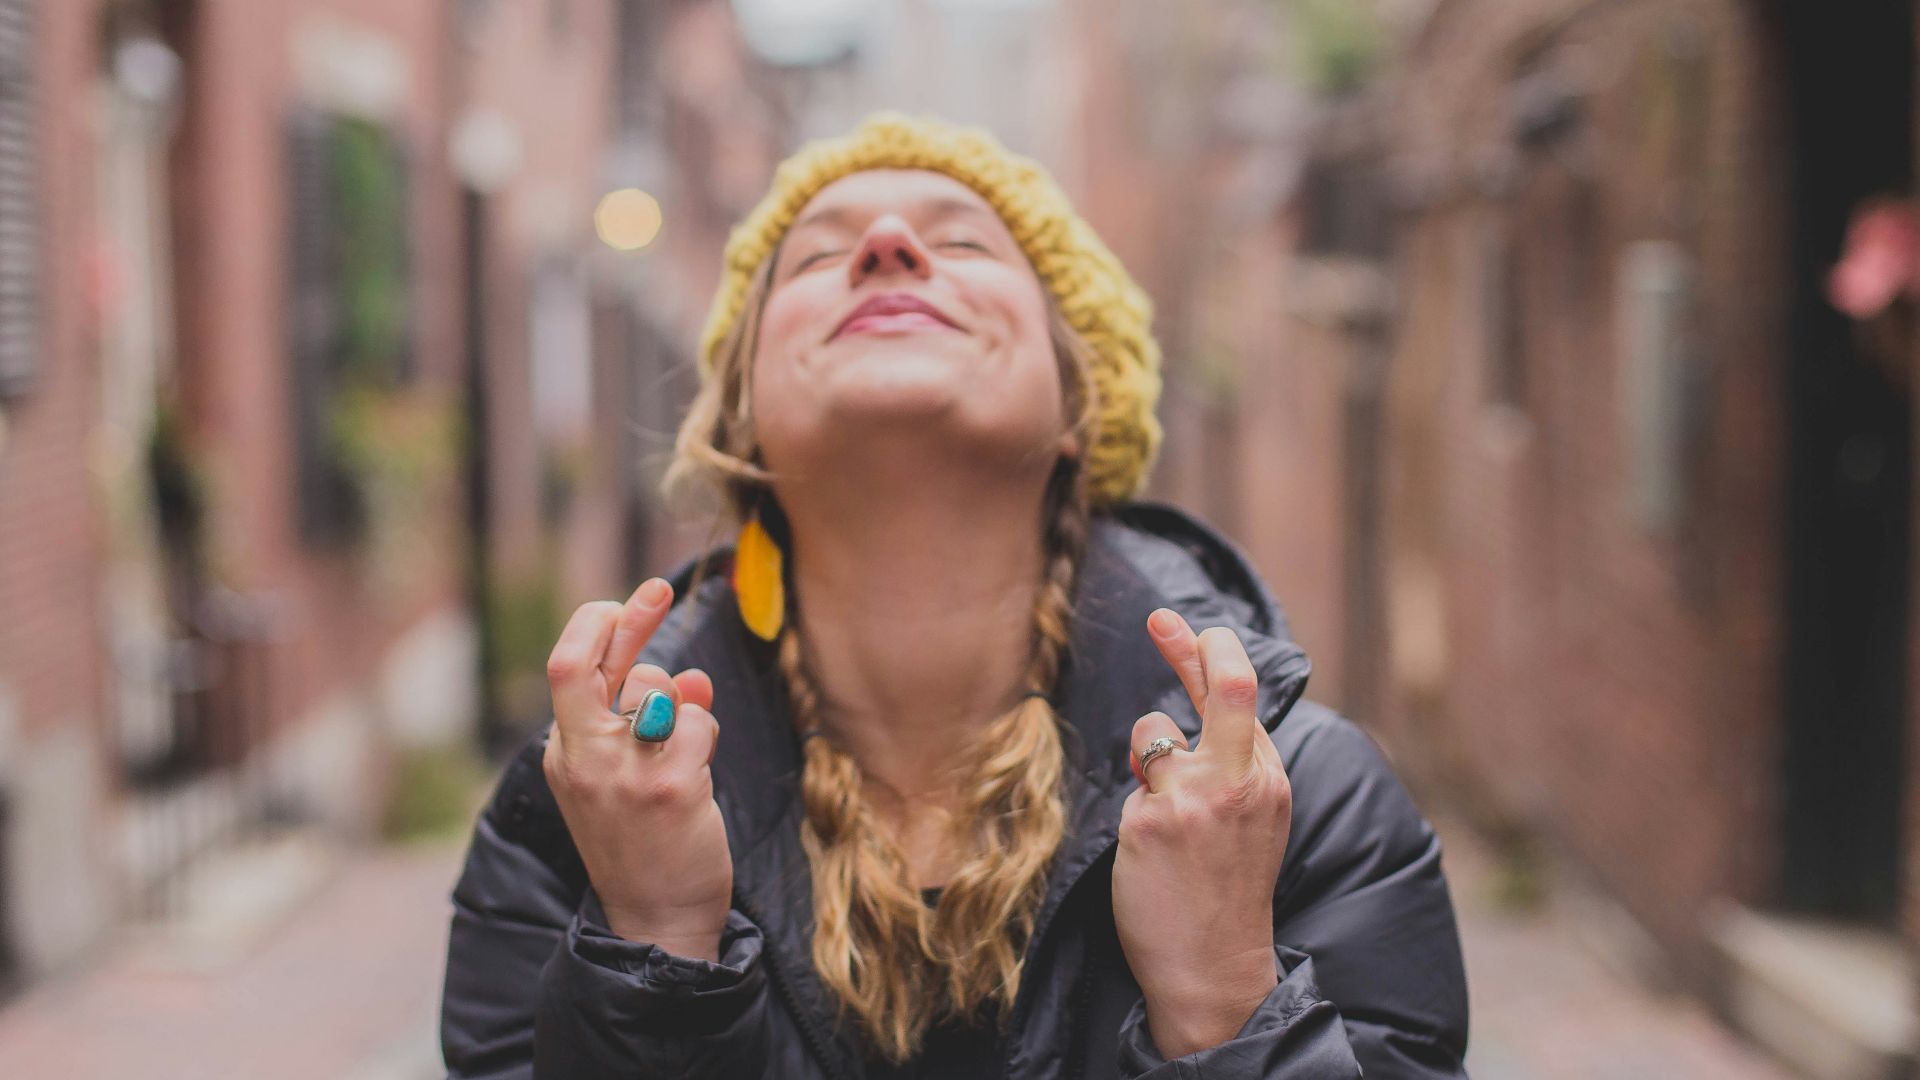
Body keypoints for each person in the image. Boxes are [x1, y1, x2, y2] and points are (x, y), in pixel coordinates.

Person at [439, 111, 1470, 1079]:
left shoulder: (1296, 803)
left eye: (966, 243)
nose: (887, 241)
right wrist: (653, 947)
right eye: (814, 255)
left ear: (1081, 404)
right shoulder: (572, 818)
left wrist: (1224, 998)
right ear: (744, 423)